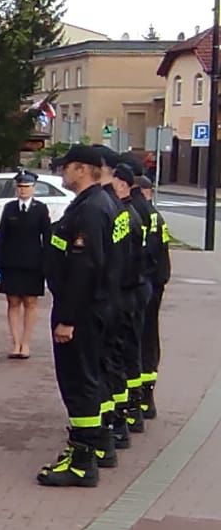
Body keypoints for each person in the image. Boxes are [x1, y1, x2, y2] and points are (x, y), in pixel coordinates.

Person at [37, 145, 112, 488]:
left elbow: (84, 268)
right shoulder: (90, 204)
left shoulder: (92, 209)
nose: (62, 173)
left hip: (80, 311)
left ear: (81, 169)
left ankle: (82, 462)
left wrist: (67, 318)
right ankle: (87, 450)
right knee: (84, 381)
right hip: (86, 308)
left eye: (66, 167)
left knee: (79, 383)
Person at [108, 162, 148, 442]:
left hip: (126, 293)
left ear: (122, 184)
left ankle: (125, 413)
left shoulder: (127, 216)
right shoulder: (130, 212)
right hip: (131, 291)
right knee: (127, 353)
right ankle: (130, 408)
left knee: (122, 355)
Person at [0, 170, 51, 359]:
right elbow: (2, 235)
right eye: (20, 187)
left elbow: (47, 237)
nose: (23, 190)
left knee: (30, 302)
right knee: (13, 301)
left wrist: (47, 263)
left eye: (26, 187)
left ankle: (26, 343)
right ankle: (15, 342)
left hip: (33, 263)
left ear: (33, 188)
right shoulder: (9, 208)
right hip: (11, 262)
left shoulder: (40, 209)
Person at [131, 171, 170, 419]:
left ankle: (138, 399)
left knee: (137, 341)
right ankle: (147, 397)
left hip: (141, 285)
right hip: (155, 284)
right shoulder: (157, 216)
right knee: (150, 339)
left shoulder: (138, 214)